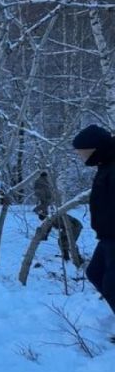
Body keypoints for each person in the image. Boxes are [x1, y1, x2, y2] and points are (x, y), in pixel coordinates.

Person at [72, 124, 115, 339]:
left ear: (94, 148)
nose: (80, 156)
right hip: (107, 235)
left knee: (111, 284)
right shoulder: (105, 164)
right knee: (95, 273)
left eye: (82, 151)